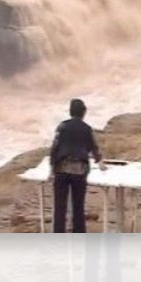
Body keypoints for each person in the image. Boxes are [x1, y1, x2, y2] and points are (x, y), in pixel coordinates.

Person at [49, 98, 103, 233]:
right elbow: (93, 147)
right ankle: (79, 233)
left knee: (60, 206)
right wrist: (100, 162)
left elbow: (54, 148)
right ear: (83, 113)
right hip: (80, 171)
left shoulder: (62, 126)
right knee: (78, 206)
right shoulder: (87, 129)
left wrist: (51, 168)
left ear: (70, 112)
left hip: (61, 169)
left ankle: (58, 234)